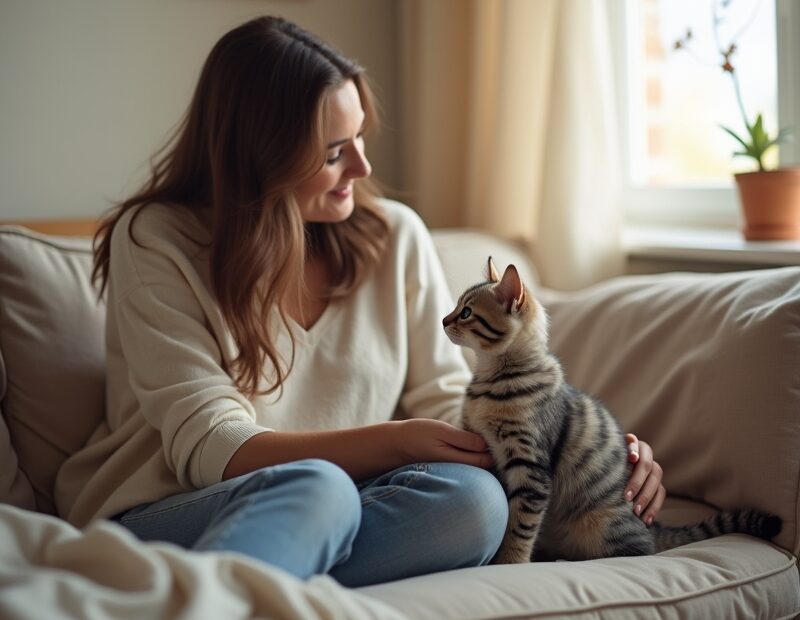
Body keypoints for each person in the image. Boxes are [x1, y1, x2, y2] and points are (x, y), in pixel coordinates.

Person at [54, 16, 665, 588]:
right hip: (169, 509)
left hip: (346, 499)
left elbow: (450, 406)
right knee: (317, 490)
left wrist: (595, 458)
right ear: (260, 158)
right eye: (332, 153)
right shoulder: (156, 239)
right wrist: (395, 442)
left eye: (359, 139)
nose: (363, 166)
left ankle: (259, 577)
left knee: (475, 504)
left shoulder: (395, 236)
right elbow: (212, 447)